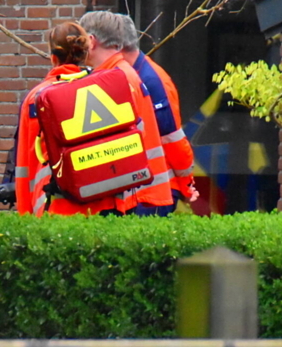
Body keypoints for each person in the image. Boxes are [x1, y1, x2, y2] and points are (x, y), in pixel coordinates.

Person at [14, 22, 171, 216]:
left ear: (53, 56)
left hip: (56, 204)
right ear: (86, 51)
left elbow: (24, 163)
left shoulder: (36, 98)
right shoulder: (108, 86)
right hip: (108, 203)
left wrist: (24, 215)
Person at [80, 11, 199, 215]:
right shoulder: (132, 75)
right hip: (140, 188)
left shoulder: (151, 80)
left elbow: (171, 136)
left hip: (152, 191)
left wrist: (186, 180)